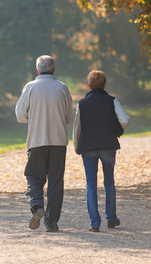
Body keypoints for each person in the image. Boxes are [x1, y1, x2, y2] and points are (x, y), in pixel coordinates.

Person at [15, 55, 73, 232]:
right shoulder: (62, 87)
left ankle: (37, 206)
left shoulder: (30, 87)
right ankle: (51, 222)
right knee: (56, 182)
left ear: (37, 70)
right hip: (58, 141)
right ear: (53, 70)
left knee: (33, 176)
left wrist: (31, 119)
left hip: (36, 141)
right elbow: (68, 116)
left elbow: (19, 115)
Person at [73, 70, 130, 232]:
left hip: (88, 147)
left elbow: (77, 126)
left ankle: (94, 223)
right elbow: (125, 119)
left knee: (91, 184)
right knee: (109, 182)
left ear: (89, 85)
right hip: (108, 145)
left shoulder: (82, 104)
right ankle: (111, 218)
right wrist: (116, 129)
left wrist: (77, 145)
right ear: (104, 84)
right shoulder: (112, 101)